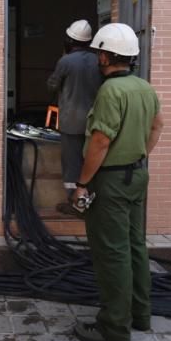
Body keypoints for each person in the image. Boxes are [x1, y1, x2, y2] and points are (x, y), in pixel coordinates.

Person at [71, 22, 164, 341]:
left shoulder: (111, 91)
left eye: (100, 53)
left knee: (113, 252)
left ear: (108, 57)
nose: (98, 58)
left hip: (111, 180)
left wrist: (82, 184)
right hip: (137, 176)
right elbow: (157, 127)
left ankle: (114, 328)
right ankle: (140, 314)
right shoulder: (145, 88)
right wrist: (137, 156)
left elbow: (99, 142)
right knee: (135, 245)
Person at [47, 19, 102, 216]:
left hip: (71, 123)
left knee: (72, 165)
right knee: (92, 161)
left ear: (69, 40)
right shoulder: (99, 60)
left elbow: (52, 85)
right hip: (95, 123)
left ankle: (76, 203)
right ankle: (91, 201)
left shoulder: (66, 61)